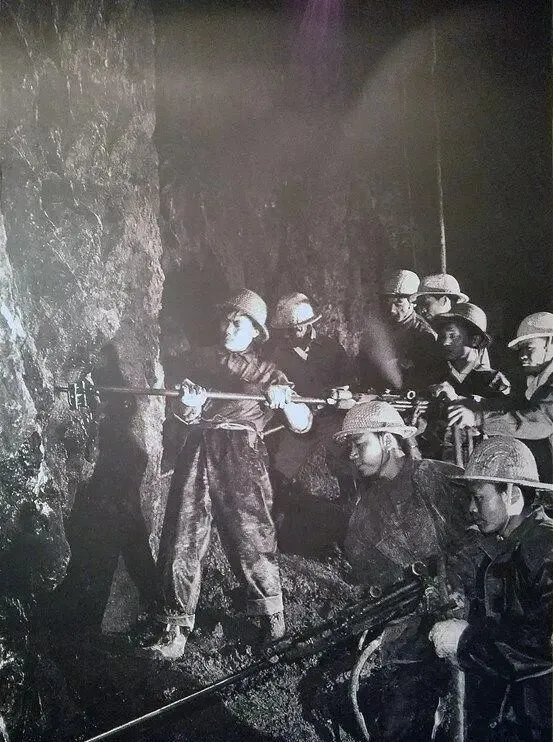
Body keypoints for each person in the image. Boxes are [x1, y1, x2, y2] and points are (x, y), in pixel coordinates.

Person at [143, 289, 313, 659]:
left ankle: (270, 619)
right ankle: (175, 628)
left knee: (250, 534)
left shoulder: (269, 372)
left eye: (238, 323)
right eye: (226, 320)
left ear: (256, 332)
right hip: (198, 446)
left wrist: (284, 400)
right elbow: (182, 414)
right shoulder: (198, 361)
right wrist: (189, 405)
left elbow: (303, 423)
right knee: (182, 535)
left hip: (242, 452)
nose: (228, 327)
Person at [332, 400, 471, 740]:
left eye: (359, 443)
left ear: (387, 440)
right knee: (401, 723)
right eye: (350, 446)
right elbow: (370, 577)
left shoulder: (438, 477)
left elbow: (484, 535)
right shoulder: (364, 515)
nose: (352, 454)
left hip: (472, 620)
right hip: (411, 632)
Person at [429, 437, 553, 742]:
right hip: (519, 713)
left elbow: (544, 644)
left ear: (512, 495)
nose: (471, 508)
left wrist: (466, 641)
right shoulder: (511, 545)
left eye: (479, 498)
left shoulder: (544, 547)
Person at [449, 312, 553, 483]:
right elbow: (515, 406)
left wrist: (478, 418)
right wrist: (474, 405)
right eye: (521, 349)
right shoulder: (537, 380)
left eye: (529, 347)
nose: (522, 355)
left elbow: (540, 421)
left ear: (550, 343)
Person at [421, 304, 510, 461]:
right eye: (442, 336)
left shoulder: (493, 380)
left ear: (474, 340)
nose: (445, 342)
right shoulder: (438, 379)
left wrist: (457, 400)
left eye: (453, 336)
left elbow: (502, 422)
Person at [357, 269, 440, 393]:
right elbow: (363, 363)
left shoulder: (424, 334)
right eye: (389, 302)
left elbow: (425, 377)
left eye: (399, 303)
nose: (392, 310)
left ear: (414, 303)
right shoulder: (381, 329)